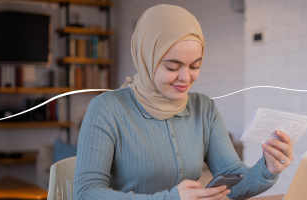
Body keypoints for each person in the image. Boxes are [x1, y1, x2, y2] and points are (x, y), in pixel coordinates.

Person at [73, 4, 294, 200]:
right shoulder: (107, 109)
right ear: (146, 59)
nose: (185, 78)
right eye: (172, 67)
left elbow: (232, 180)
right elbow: (86, 192)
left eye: (195, 66)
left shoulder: (204, 108)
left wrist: (267, 168)